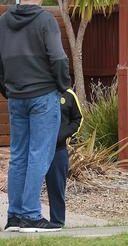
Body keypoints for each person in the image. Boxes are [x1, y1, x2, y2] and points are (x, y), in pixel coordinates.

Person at [0, 0, 70, 233]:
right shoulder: (45, 20)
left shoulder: (3, 21)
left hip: (16, 96)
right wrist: (64, 85)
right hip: (43, 95)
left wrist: (7, 89)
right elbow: (58, 58)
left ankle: (15, 216)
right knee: (40, 155)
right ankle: (30, 215)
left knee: (18, 155)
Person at [45, 88, 83, 228]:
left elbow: (78, 118)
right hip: (37, 149)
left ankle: (57, 221)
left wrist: (63, 134)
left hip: (58, 150)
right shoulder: (40, 91)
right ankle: (28, 219)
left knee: (57, 187)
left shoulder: (69, 94)